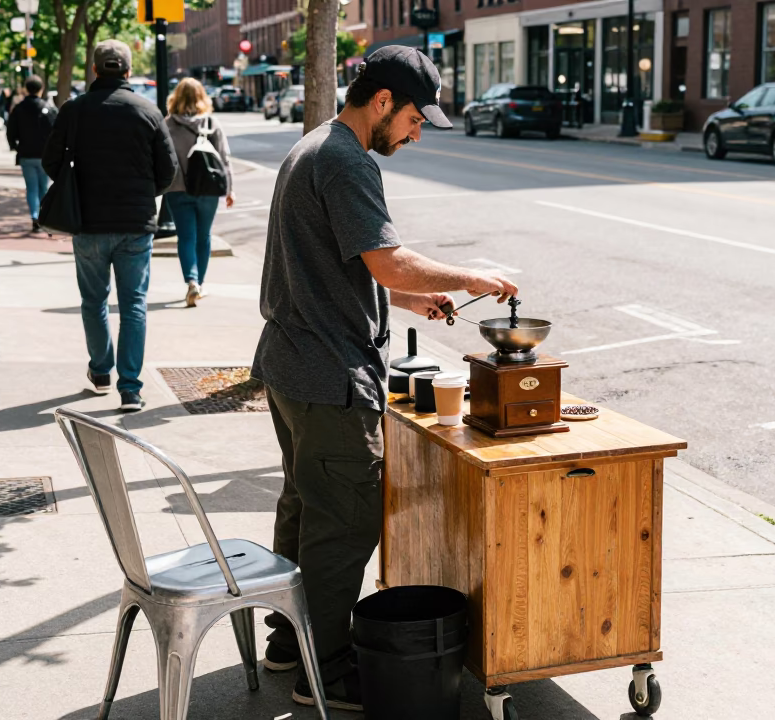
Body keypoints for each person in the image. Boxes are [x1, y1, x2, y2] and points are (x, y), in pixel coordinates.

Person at [252, 46, 519, 712]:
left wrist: (408, 301)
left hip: (293, 364)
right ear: (380, 103)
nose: (417, 132)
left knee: (307, 503)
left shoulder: (313, 147)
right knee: (346, 521)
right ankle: (327, 669)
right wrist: (467, 276)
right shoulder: (346, 161)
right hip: (328, 374)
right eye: (414, 119)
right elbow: (391, 262)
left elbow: (341, 270)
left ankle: (290, 639)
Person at [43, 39, 177, 412]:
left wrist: (76, 182)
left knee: (93, 300)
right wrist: (145, 193)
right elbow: (168, 171)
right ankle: (130, 388)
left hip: (87, 221)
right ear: (129, 71)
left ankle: (101, 370)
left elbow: (50, 162)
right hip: (135, 223)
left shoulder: (74, 110)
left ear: (96, 70)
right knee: (134, 304)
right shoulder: (148, 112)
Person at [162, 78, 235, 307]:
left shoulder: (167, 125)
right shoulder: (211, 123)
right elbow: (224, 158)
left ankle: (191, 281)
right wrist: (230, 189)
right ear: (202, 97)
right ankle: (199, 285)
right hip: (208, 188)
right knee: (204, 237)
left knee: (185, 237)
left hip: (176, 189)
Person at [7, 75, 58, 233]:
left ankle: (34, 215)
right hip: (45, 155)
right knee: (44, 188)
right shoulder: (49, 109)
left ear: (25, 89)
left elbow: (11, 132)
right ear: (41, 89)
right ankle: (43, 216)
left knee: (31, 188)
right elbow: (57, 131)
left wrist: (15, 146)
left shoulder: (19, 108)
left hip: (26, 154)